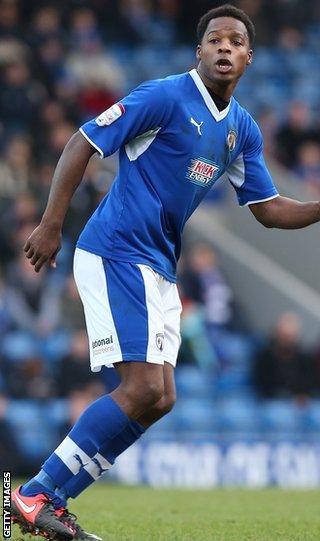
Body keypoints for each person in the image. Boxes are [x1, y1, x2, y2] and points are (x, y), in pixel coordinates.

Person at [11, 4, 320, 540]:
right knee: (140, 388)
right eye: (215, 40)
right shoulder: (164, 95)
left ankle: (50, 502)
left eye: (236, 42)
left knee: (161, 397)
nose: (225, 48)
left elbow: (268, 209)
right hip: (116, 249)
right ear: (198, 51)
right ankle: (37, 493)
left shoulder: (241, 130)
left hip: (158, 264)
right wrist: (50, 222)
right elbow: (83, 139)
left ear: (249, 56)